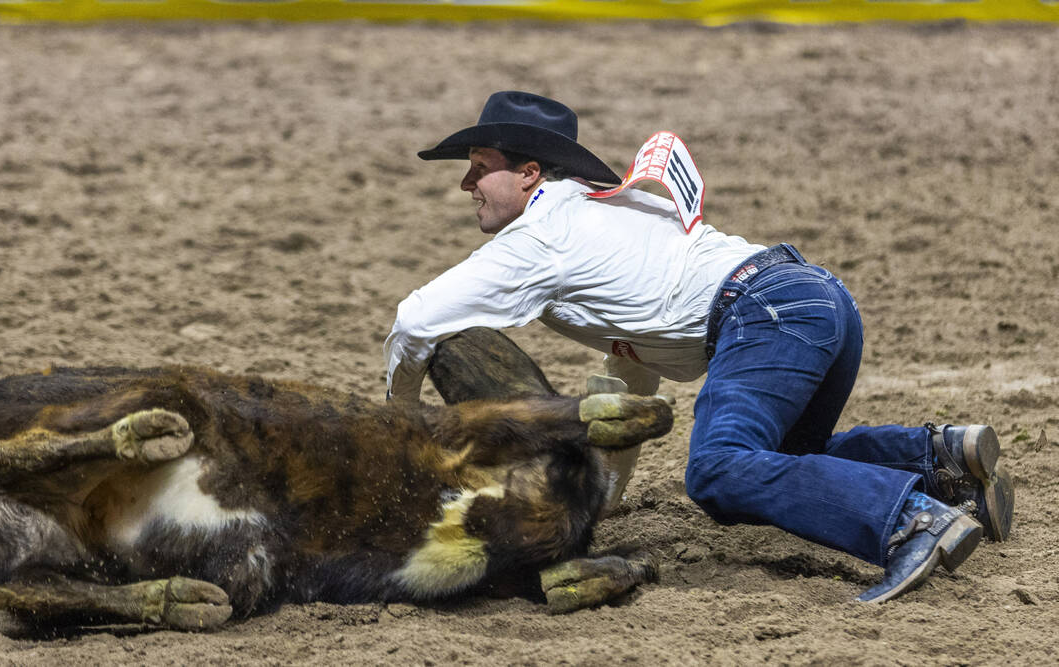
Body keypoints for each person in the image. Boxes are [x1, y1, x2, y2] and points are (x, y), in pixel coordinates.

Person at [382, 90, 1015, 602]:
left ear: (528, 173)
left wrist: (404, 427)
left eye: (480, 167)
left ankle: (910, 523)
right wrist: (609, 498)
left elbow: (414, 323)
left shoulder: (541, 237)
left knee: (719, 470)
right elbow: (630, 370)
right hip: (815, 299)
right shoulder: (611, 213)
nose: (467, 183)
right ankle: (941, 462)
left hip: (763, 314)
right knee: (783, 461)